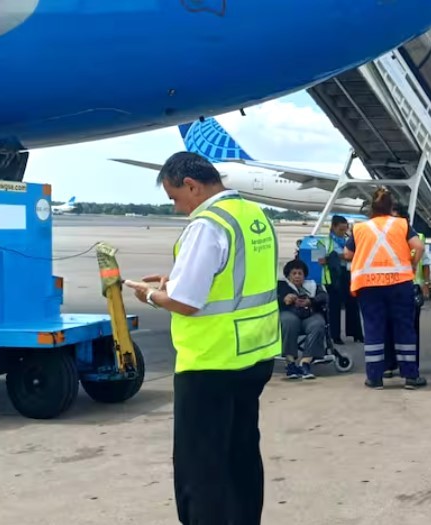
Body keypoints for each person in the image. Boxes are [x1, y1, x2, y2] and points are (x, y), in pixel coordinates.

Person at [124, 151, 279, 525]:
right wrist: (172, 280)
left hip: (210, 362)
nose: (178, 209)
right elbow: (233, 280)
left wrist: (148, 295)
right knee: (241, 454)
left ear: (191, 186)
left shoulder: (207, 224)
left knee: (201, 466)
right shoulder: (255, 216)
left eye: (175, 198)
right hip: (254, 356)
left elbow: (186, 303)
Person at [343, 188, 428, 390]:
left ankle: (375, 377)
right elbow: (420, 246)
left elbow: (347, 253)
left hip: (369, 286)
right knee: (404, 328)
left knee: (374, 329)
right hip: (399, 284)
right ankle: (410, 376)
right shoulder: (401, 224)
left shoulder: (360, 228)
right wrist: (413, 263)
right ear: (391, 207)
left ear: (371, 208)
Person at [383, 205, 431, 379]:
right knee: (387, 327)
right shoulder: (384, 237)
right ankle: (388, 364)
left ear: (406, 221)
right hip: (387, 286)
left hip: (411, 288)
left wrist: (425, 283)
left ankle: (411, 367)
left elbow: (425, 263)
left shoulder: (416, 238)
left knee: (410, 330)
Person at [278, 259, 328, 380]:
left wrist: (311, 301)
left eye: (300, 273)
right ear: (288, 275)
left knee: (318, 323)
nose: (297, 276)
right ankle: (290, 362)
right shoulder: (281, 286)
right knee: (288, 321)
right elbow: (274, 299)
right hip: (289, 314)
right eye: (294, 273)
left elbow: (324, 297)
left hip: (309, 315)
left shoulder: (312, 285)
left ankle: (305, 362)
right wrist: (285, 300)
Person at [318, 215, 364, 344]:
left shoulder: (349, 240)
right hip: (333, 276)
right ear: (333, 227)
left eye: (345, 229)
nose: (343, 232)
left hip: (349, 274)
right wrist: (339, 257)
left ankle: (356, 333)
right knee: (334, 306)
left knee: (353, 304)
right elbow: (319, 259)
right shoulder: (324, 242)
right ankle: (335, 335)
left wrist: (339, 257)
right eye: (340, 230)